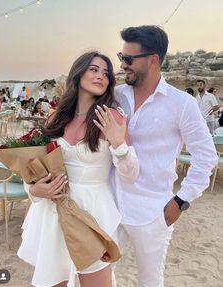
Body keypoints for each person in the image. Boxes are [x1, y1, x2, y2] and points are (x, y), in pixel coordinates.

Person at [17, 51, 139, 287]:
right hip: (54, 212)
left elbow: (130, 174)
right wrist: (34, 191)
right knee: (55, 280)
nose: (101, 76)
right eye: (94, 70)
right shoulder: (56, 119)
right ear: (78, 73)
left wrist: (119, 143)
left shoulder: (111, 117)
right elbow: (34, 168)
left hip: (93, 212)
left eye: (106, 73)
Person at [114, 25, 218, 287]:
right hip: (111, 204)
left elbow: (206, 156)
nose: (123, 64)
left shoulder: (182, 103)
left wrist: (181, 200)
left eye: (128, 59)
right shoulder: (115, 95)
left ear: (153, 60)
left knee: (150, 280)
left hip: (153, 211)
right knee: (101, 273)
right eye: (121, 57)